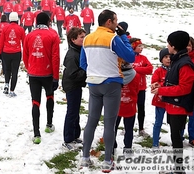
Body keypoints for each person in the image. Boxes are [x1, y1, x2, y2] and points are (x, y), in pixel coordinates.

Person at [79, 9, 135, 172]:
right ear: (109, 22)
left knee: (92, 121)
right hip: (111, 83)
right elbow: (130, 57)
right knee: (109, 124)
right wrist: (124, 36)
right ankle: (107, 161)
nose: (117, 24)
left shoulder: (87, 38)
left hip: (93, 83)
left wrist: (95, 70)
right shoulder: (113, 38)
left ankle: (84, 158)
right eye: (116, 21)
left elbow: (83, 63)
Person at [151, 31, 194, 174]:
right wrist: (160, 86)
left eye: (168, 43)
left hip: (179, 107)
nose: (167, 46)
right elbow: (173, 82)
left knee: (177, 139)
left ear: (174, 45)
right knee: (175, 137)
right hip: (172, 106)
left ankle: (179, 169)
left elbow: (184, 88)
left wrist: (162, 91)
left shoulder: (184, 63)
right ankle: (178, 168)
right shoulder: (177, 60)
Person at [23, 12, 60, 144]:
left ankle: (36, 133)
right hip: (48, 73)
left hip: (34, 73)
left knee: (35, 102)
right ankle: (49, 125)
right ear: (48, 21)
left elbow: (25, 55)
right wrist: (56, 76)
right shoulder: (53, 35)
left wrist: (30, 67)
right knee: (49, 97)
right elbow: (55, 57)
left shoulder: (29, 35)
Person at [61, 27, 86, 150]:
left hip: (77, 85)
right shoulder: (72, 55)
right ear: (73, 39)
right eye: (81, 37)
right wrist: (87, 72)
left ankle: (75, 135)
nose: (84, 39)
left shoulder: (80, 50)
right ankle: (67, 139)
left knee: (76, 111)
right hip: (72, 85)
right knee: (71, 112)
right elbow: (73, 74)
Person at [0, 12, 25, 97]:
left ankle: (6, 85)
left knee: (7, 70)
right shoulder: (21, 29)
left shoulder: (5, 28)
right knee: (15, 72)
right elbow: (24, 42)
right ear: (17, 19)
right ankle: (12, 90)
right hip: (16, 52)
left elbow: (1, 42)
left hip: (6, 52)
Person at [130, 38, 153, 137]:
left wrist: (136, 69)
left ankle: (141, 128)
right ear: (133, 47)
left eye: (142, 46)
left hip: (141, 88)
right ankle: (128, 128)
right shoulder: (128, 57)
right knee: (130, 108)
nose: (141, 48)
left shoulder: (143, 58)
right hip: (130, 88)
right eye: (139, 46)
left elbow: (149, 69)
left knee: (141, 108)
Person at [151, 48, 170, 149]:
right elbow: (154, 84)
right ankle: (155, 142)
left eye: (170, 57)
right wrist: (162, 85)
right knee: (158, 122)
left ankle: (178, 139)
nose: (168, 59)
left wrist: (161, 85)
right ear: (161, 59)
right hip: (160, 101)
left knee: (176, 123)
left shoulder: (175, 70)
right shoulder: (158, 71)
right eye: (166, 57)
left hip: (172, 101)